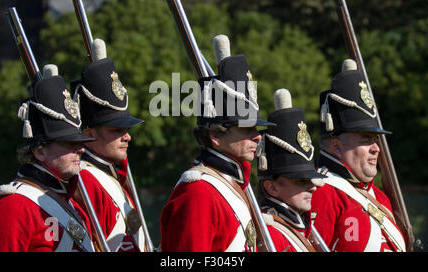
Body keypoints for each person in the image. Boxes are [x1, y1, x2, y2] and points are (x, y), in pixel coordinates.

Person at [160, 37, 275, 252]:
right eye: (246, 129)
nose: (258, 137)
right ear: (215, 136)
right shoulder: (198, 192)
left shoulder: (231, 185)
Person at [0, 68, 97, 252]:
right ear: (40, 151)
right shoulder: (12, 209)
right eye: (69, 143)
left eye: (80, 142)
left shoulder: (73, 207)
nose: (81, 149)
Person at [310, 59, 406, 252]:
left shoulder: (379, 197)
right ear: (336, 146)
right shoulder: (321, 193)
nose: (376, 148)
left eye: (375, 139)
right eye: (365, 139)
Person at [72, 39, 149, 252]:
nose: (127, 137)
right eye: (116, 130)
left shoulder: (111, 176)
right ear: (88, 133)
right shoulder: (86, 180)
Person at [256, 88, 327, 252]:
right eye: (301, 181)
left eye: (310, 180)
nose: (313, 187)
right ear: (272, 187)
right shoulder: (269, 234)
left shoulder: (302, 229)